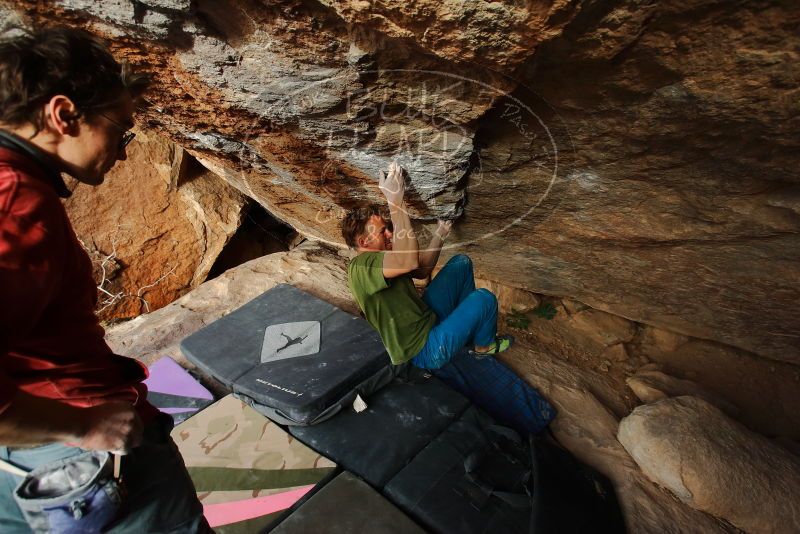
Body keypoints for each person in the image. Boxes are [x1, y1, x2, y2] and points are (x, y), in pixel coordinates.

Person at [0, 27, 208, 532]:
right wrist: (82, 424)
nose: (123, 151)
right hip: (70, 449)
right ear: (63, 114)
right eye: (120, 129)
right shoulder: (19, 208)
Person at [343, 161, 514, 370]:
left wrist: (440, 232)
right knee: (484, 299)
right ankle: (483, 347)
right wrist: (395, 200)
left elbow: (421, 269)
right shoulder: (361, 267)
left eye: (387, 228)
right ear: (363, 242)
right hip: (423, 350)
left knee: (461, 263)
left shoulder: (382, 259)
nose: (389, 233)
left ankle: (466, 327)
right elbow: (408, 260)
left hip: (427, 320)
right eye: (382, 232)